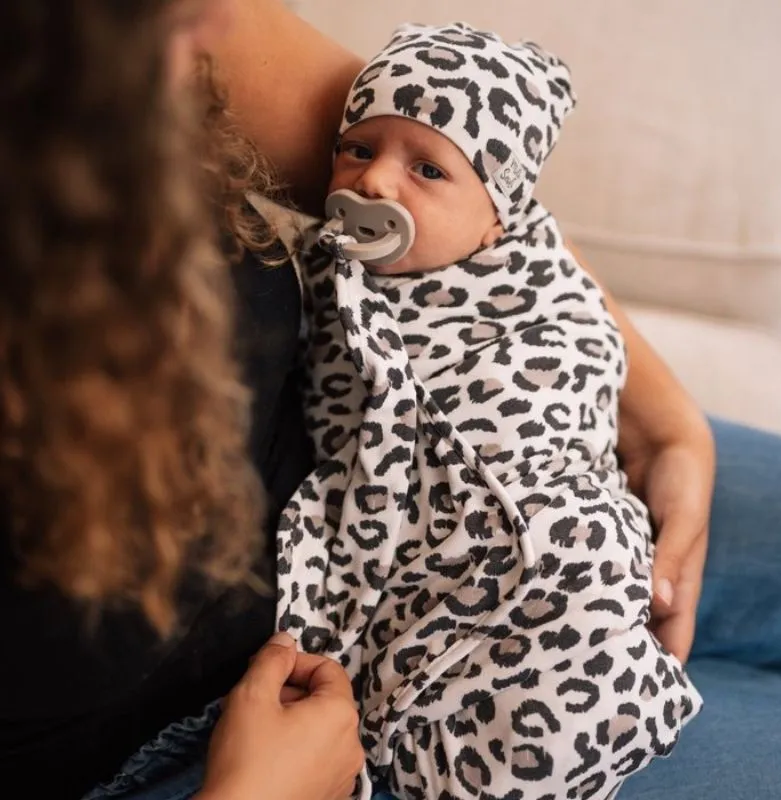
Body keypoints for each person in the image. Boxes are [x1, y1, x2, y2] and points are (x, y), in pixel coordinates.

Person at [0, 2, 781, 800]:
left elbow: (452, 142)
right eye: (359, 154)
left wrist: (661, 421)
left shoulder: (154, 31)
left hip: (501, 475)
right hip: (263, 711)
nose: (214, 28)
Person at [280, 22, 700, 799]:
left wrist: (679, 434)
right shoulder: (330, 272)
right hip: (416, 536)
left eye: (428, 169)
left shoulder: (535, 282)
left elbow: (582, 364)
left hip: (551, 489)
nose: (374, 185)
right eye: (360, 148)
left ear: (497, 220)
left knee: (586, 558)